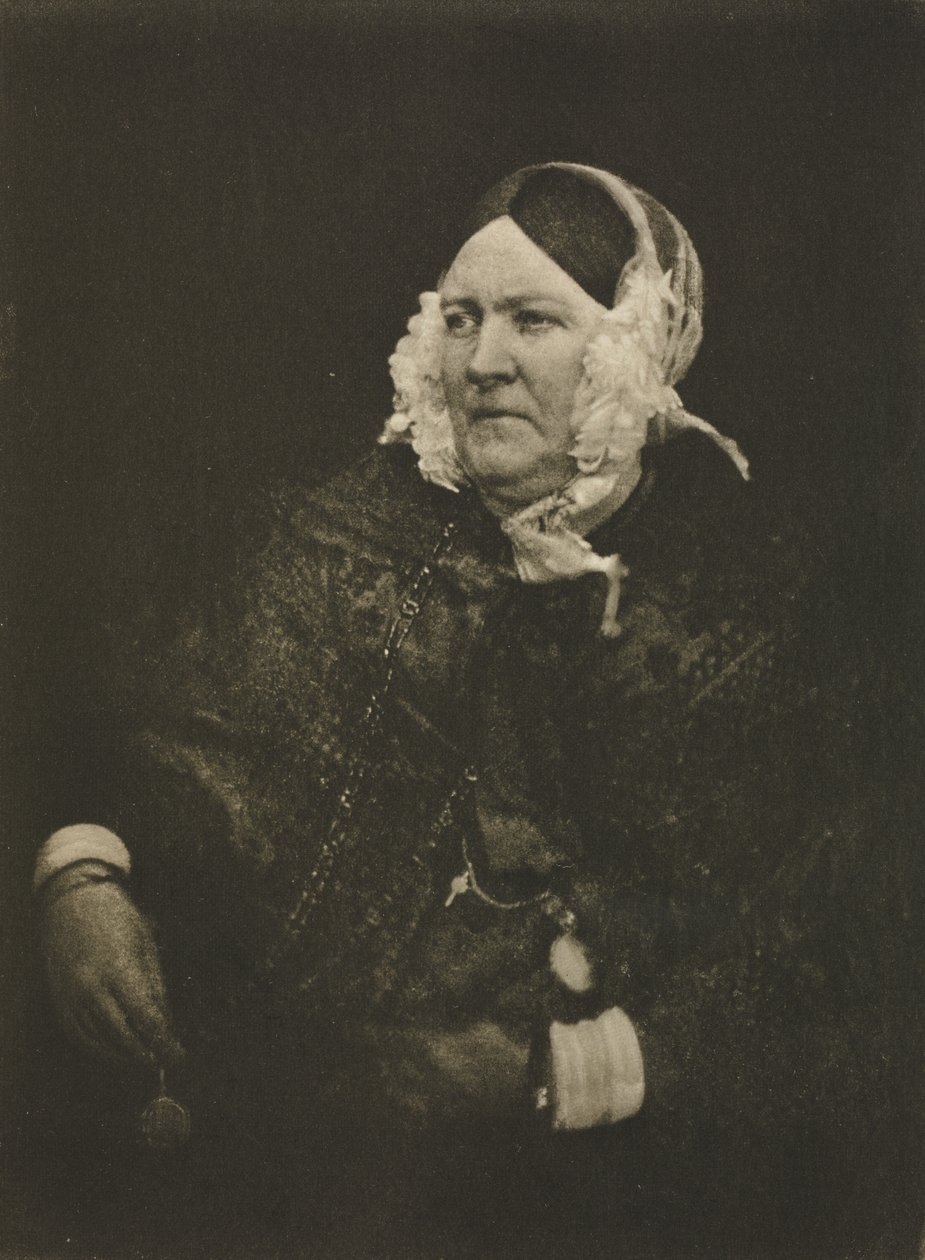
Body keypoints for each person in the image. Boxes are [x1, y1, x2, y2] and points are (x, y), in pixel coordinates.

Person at [31, 163, 919, 1259]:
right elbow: (165, 741)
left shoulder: (745, 616)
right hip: (258, 1142)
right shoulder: (339, 533)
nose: (483, 361)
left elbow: (832, 966)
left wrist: (550, 1071)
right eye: (460, 320)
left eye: (532, 321)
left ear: (629, 352)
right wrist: (84, 874)